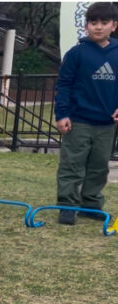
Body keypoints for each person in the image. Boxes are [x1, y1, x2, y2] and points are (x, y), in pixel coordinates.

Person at [54, 1, 118, 225]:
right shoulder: (76, 53)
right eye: (93, 22)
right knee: (72, 164)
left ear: (114, 26)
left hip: (106, 124)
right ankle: (67, 206)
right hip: (78, 121)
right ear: (86, 25)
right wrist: (61, 114)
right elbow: (64, 85)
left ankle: (91, 205)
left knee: (99, 166)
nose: (98, 27)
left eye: (104, 22)